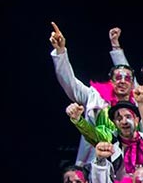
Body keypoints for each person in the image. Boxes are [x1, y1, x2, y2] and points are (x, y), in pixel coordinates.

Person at [50, 22, 135, 165]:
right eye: (118, 78)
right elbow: (70, 84)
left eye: (127, 78)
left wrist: (115, 46)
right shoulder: (96, 97)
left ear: (133, 84)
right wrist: (61, 52)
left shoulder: (139, 105)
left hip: (128, 167)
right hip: (95, 162)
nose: (122, 81)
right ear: (111, 82)